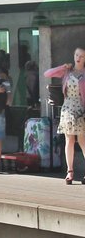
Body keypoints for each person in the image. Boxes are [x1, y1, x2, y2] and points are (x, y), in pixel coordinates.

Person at [46, 48, 85, 185]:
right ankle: (70, 171)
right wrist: (63, 66)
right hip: (67, 106)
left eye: (81, 56)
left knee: (81, 140)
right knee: (69, 139)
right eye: (76, 55)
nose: (78, 58)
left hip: (81, 108)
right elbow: (48, 74)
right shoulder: (67, 72)